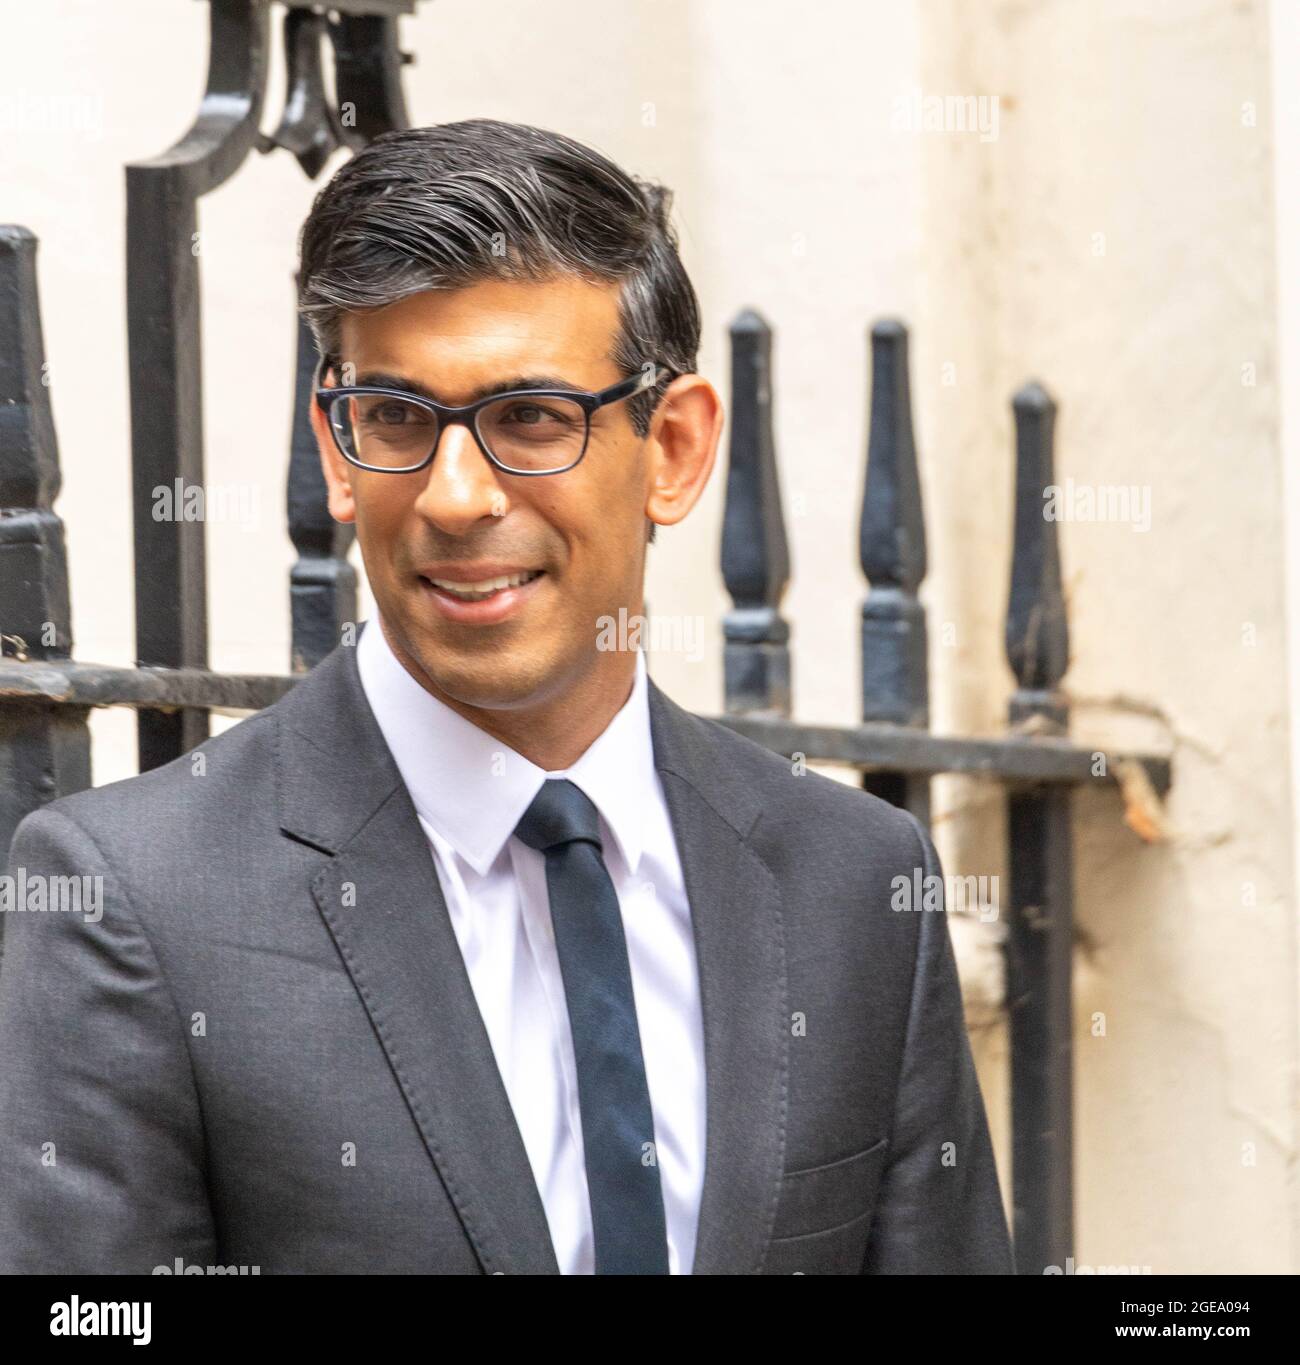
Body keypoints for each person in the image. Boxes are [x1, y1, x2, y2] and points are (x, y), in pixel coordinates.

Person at [0, 118, 1012, 1275]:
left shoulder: (852, 878)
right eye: (397, 418)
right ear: (336, 449)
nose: (456, 496)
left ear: (673, 449)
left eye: (531, 417)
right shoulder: (134, 898)